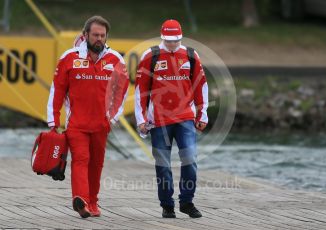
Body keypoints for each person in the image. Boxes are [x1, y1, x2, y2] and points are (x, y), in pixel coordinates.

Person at [47, 16, 129, 218]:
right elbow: (57, 90)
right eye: (95, 35)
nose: (99, 39)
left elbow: (122, 92)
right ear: (85, 35)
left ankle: (93, 202)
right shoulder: (69, 58)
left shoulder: (116, 60)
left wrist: (113, 118)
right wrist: (53, 121)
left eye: (102, 35)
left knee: (96, 164)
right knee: (81, 159)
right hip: (77, 125)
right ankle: (81, 200)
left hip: (102, 125)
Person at [135, 19, 208, 218]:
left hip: (185, 117)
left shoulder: (192, 55)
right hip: (158, 121)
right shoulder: (151, 56)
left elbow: (201, 86)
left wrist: (203, 114)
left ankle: (187, 202)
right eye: (168, 40)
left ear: (181, 37)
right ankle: (167, 205)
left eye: (175, 40)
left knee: (190, 159)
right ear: (162, 37)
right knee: (163, 165)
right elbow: (141, 90)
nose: (172, 44)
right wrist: (141, 120)